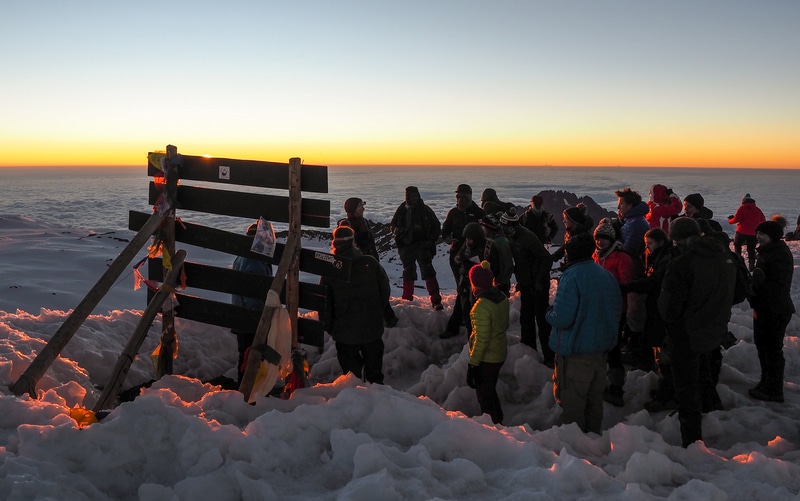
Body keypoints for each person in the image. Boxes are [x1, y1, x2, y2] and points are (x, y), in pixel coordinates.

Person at [658, 217, 736, 448]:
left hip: (686, 334)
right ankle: (712, 410)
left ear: (677, 239)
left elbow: (669, 308)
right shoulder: (724, 257)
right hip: (715, 327)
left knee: (687, 386)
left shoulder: (682, 263)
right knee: (705, 371)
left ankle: (692, 441)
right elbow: (740, 290)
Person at [547, 233, 623, 434]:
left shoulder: (571, 276)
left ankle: (576, 456)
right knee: (594, 403)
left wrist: (548, 313)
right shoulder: (606, 275)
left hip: (575, 354)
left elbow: (562, 317)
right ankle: (593, 449)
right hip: (600, 352)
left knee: (572, 408)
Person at [320, 226, 391, 384]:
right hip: (372, 329)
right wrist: (377, 313)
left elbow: (325, 304)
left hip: (345, 334)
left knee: (352, 378)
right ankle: (379, 402)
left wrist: (331, 328)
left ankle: (356, 403)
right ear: (353, 242)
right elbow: (384, 290)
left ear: (335, 244)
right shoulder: (370, 263)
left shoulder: (331, 270)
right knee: (375, 376)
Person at [625, 228, 678, 412]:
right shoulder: (654, 257)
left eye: (651, 244)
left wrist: (630, 286)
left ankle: (667, 396)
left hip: (661, 311)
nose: (647, 248)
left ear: (661, 242)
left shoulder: (665, 260)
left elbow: (654, 282)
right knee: (660, 351)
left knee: (664, 354)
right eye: (646, 244)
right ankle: (666, 391)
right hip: (655, 309)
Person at [748, 220, 795, 403]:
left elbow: (777, 285)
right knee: (763, 347)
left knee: (772, 350)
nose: (758, 237)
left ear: (773, 236)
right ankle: (765, 382)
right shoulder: (767, 251)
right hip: (763, 306)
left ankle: (774, 390)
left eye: (762, 234)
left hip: (775, 308)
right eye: (758, 233)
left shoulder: (779, 255)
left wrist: (757, 284)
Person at [592, 218, 636, 407]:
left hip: (617, 308)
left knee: (614, 347)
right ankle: (603, 381)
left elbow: (627, 284)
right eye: (598, 238)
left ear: (611, 239)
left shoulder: (621, 257)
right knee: (603, 345)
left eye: (604, 238)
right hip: (601, 308)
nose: (600, 242)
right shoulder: (597, 255)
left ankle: (616, 387)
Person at [500, 211, 553, 366]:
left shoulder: (527, 238)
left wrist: (537, 281)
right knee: (526, 318)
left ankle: (550, 357)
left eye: (505, 227)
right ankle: (529, 353)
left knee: (542, 321)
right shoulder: (512, 236)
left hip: (538, 284)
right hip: (527, 283)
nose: (503, 229)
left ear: (513, 226)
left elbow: (546, 259)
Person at [338, 197, 399, 327]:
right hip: (357, 265)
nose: (363, 209)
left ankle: (385, 316)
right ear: (353, 209)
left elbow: (370, 244)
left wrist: (375, 259)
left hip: (370, 262)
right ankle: (385, 317)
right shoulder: (346, 225)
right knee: (372, 289)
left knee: (378, 287)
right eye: (360, 207)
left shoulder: (364, 222)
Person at [465, 260, 510, 424]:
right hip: (499, 353)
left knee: (484, 395)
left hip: (487, 358)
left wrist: (473, 364)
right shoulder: (501, 298)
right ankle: (498, 419)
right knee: (490, 390)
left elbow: (482, 339)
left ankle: (493, 426)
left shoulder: (481, 307)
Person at [231, 222, 274, 385]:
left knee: (245, 352)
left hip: (240, 315)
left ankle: (245, 387)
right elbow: (253, 297)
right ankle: (250, 389)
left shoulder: (243, 255)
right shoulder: (254, 261)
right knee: (252, 353)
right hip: (250, 318)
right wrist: (263, 319)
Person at [441, 184, 485, 337]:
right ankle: (464, 323)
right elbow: (445, 229)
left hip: (473, 257)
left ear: (470, 197)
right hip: (456, 256)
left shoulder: (479, 213)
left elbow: (484, 233)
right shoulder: (453, 213)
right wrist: (447, 238)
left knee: (467, 289)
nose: (461, 199)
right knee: (463, 289)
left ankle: (460, 324)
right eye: (459, 196)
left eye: (464, 197)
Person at [390, 186, 443, 310]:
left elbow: (436, 225)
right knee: (408, 273)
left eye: (414, 195)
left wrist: (430, 241)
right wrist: (396, 230)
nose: (411, 198)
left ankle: (436, 300)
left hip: (422, 246)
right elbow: (393, 224)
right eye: (409, 196)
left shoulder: (424, 210)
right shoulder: (402, 209)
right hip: (407, 246)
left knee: (428, 271)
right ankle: (407, 300)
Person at [727, 193, 766, 270]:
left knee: (737, 245)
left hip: (741, 232)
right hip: (753, 233)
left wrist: (730, 221)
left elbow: (736, 219)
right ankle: (751, 266)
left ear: (743, 201)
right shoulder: (758, 210)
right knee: (751, 250)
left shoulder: (742, 208)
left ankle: (738, 263)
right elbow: (763, 221)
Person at [479, 213, 514, 297]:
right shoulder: (490, 239)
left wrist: (503, 282)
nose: (482, 229)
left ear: (488, 227)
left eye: (483, 226)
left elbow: (508, 264)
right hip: (493, 280)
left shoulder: (501, 242)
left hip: (500, 283)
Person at [615, 187, 651, 259]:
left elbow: (628, 252)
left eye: (621, 204)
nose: (618, 207)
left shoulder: (636, 224)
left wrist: (614, 241)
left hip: (631, 266)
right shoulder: (632, 220)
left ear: (630, 205)